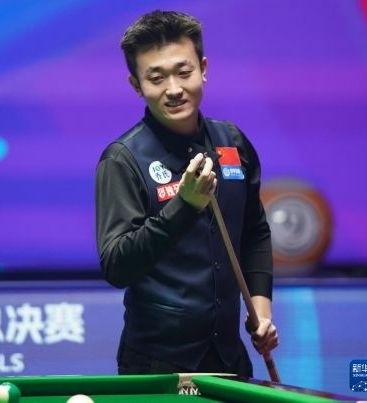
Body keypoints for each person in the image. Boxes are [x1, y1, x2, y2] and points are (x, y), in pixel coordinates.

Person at [95, 10, 278, 377]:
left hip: (229, 357)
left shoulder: (233, 143)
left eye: (184, 72)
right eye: (156, 78)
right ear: (136, 85)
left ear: (203, 68)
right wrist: (184, 205)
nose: (174, 89)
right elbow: (116, 266)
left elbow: (254, 232)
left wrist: (261, 311)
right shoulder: (122, 159)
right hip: (155, 366)